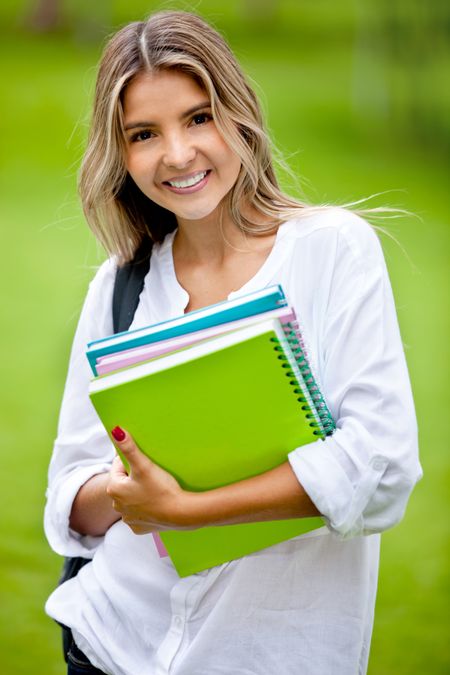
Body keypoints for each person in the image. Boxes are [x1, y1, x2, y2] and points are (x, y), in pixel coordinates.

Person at [44, 10, 422, 675]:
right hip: (111, 644)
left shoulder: (333, 250)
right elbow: (69, 491)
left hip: (268, 656)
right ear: (122, 152)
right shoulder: (119, 284)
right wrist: (125, 490)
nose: (178, 154)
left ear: (239, 114)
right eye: (143, 133)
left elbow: (382, 465)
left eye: (198, 117)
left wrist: (188, 509)